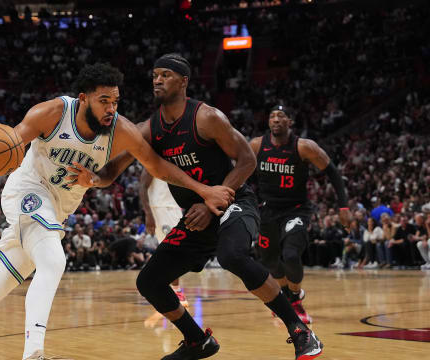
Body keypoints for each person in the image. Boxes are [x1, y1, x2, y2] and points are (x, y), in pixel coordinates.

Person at [0, 63, 232, 360]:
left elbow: (156, 166)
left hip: (54, 213)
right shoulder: (51, 112)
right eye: (104, 100)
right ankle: (33, 353)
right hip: (26, 194)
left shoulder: (120, 131)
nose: (111, 107)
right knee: (54, 260)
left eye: (116, 100)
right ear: (84, 99)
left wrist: (202, 190)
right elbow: (12, 142)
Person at [68, 54, 323, 360]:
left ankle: (299, 330)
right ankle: (196, 340)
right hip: (196, 217)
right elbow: (110, 172)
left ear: (184, 81)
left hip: (234, 203)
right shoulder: (148, 129)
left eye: (165, 75)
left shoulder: (207, 118)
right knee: (149, 280)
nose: (157, 80)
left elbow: (247, 161)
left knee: (232, 256)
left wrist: (213, 200)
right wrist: (91, 179)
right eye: (154, 75)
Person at [249, 105, 351, 324]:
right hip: (267, 210)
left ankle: (294, 299)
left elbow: (333, 173)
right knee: (269, 261)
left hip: (296, 210)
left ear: (290, 122)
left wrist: (343, 207)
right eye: (272, 116)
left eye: (281, 116)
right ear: (268, 122)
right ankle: (287, 295)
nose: (276, 119)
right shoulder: (257, 145)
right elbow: (240, 170)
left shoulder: (304, 147)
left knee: (292, 255)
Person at [139, 172, 187, 306]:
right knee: (172, 251)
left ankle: (162, 285)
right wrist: (148, 213)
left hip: (175, 208)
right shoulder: (151, 158)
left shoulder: (174, 160)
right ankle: (175, 290)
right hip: (160, 208)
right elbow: (142, 187)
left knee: (177, 251)